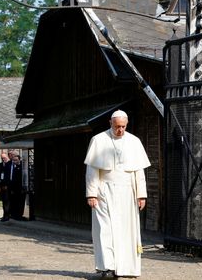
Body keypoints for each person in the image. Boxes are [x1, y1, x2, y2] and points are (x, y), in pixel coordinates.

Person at [84, 110, 150, 278]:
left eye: (123, 126)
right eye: (117, 126)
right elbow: (92, 170)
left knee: (126, 230)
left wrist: (141, 195)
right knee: (105, 229)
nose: (120, 130)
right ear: (110, 123)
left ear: (126, 124)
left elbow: (138, 171)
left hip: (128, 192)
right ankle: (107, 267)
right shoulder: (99, 140)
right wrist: (91, 194)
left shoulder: (134, 142)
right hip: (104, 191)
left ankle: (126, 268)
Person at [10, 154, 26, 220]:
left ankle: (20, 215)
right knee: (15, 202)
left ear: (19, 159)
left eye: (16, 160)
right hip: (14, 188)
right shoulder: (14, 167)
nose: (15, 161)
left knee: (21, 202)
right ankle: (15, 214)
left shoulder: (22, 167)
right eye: (14, 160)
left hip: (21, 187)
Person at [0, 153, 12, 221]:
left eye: (4, 157)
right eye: (2, 158)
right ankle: (4, 215)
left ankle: (7, 216)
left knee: (7, 202)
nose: (3, 159)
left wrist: (7, 185)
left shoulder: (10, 164)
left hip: (7, 186)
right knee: (3, 201)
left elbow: (9, 176)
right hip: (1, 186)